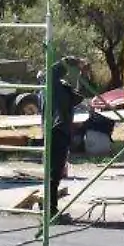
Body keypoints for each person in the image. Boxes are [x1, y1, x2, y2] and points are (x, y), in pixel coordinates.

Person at [46, 56, 91, 219]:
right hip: (55, 130)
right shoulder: (52, 85)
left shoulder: (65, 89)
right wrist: (74, 61)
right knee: (53, 172)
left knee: (56, 172)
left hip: (62, 132)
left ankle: (51, 208)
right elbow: (54, 70)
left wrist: (84, 74)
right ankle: (50, 210)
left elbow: (81, 94)